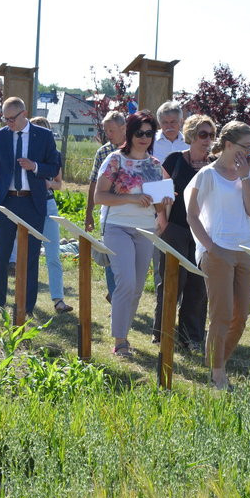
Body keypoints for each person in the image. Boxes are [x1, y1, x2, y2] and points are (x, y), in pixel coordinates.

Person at [186, 121, 250, 389]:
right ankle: (217, 372)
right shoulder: (207, 175)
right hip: (218, 251)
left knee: (242, 313)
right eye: (245, 147)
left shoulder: (246, 174)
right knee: (222, 314)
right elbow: (191, 214)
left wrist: (246, 177)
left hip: (245, 251)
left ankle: (217, 361)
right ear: (228, 145)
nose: (249, 153)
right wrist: (209, 246)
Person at [93, 110, 172, 357]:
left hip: (145, 230)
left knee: (137, 286)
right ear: (130, 132)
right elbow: (99, 197)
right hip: (117, 227)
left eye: (149, 133)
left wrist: (165, 204)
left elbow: (158, 204)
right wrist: (132, 197)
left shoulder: (155, 165)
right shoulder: (115, 160)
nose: (144, 138)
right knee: (125, 281)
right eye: (139, 132)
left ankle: (124, 335)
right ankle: (120, 341)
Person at [0, 97, 60, 316]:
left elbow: (54, 166)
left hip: (32, 201)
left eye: (11, 118)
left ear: (24, 113)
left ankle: (26, 306)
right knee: (1, 254)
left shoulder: (43, 135)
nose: (8, 123)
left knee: (31, 256)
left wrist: (35, 166)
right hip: (6, 201)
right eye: (5, 118)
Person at [151, 115, 214, 351]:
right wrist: (163, 222)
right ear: (190, 136)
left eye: (211, 135)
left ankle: (192, 337)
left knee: (198, 287)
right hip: (175, 229)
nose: (207, 140)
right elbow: (158, 190)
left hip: (202, 233)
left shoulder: (213, 165)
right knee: (171, 283)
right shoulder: (175, 160)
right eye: (202, 134)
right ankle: (162, 332)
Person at [7, 117, 72, 313]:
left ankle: (58, 299)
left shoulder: (54, 155)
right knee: (26, 255)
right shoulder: (20, 152)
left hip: (48, 205)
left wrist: (49, 184)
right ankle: (22, 298)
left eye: (45, 132)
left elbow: (59, 183)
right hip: (26, 206)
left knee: (53, 254)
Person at [85, 111, 126, 303]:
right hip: (109, 212)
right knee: (110, 257)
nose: (108, 134)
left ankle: (119, 294)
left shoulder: (136, 149)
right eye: (106, 130)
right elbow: (93, 183)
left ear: (123, 128)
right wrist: (88, 213)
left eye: (111, 130)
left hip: (131, 212)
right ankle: (115, 295)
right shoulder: (103, 152)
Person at [150, 101, 189, 304]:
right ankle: (163, 306)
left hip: (182, 209)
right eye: (164, 122)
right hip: (154, 205)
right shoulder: (152, 143)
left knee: (183, 261)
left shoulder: (189, 143)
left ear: (181, 121)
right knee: (160, 260)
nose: (169, 126)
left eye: (173, 121)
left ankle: (181, 303)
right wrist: (159, 212)